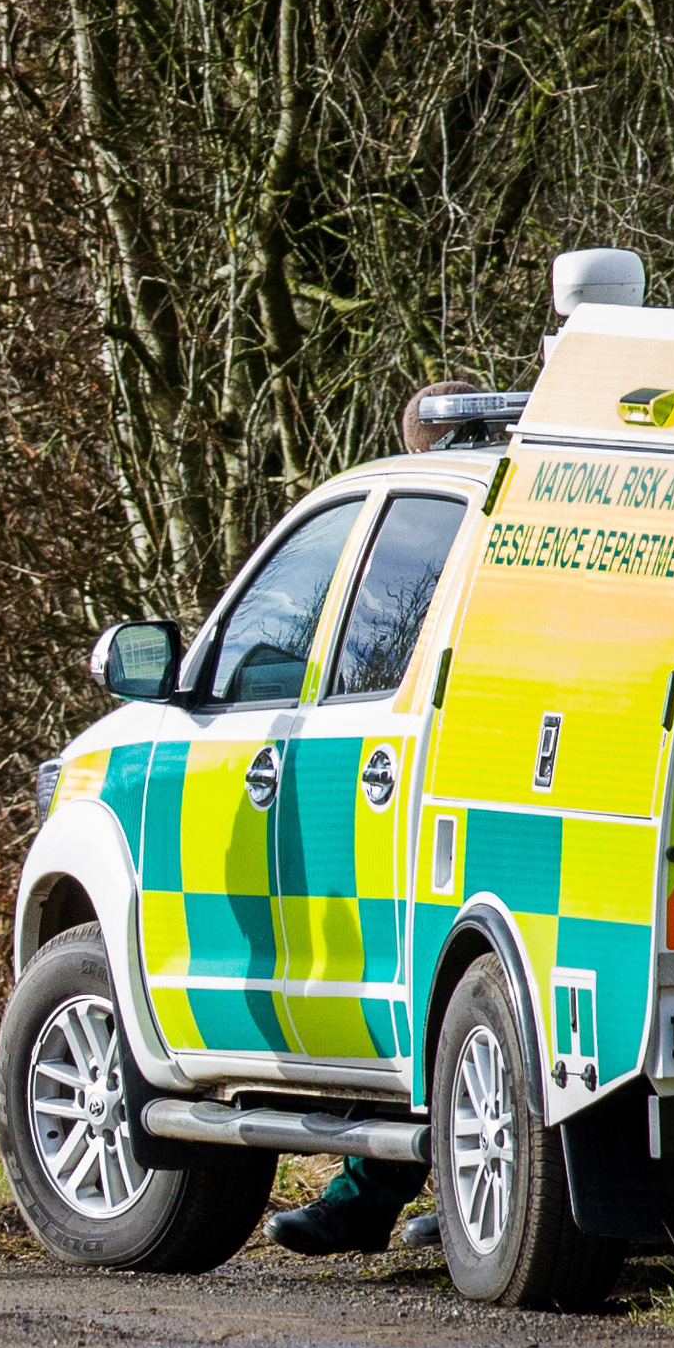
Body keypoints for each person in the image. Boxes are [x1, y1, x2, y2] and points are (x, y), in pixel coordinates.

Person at [264, 384, 479, 1261]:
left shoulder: (426, 531)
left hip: (414, 786)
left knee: (401, 995)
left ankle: (366, 1199)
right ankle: (458, 1198)